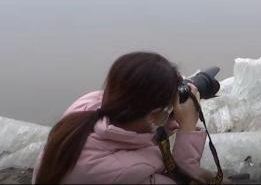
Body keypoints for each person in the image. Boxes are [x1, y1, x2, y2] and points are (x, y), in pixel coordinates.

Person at [33, 52, 211, 184]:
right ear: (154, 115)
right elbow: (181, 179)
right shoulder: (129, 173)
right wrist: (187, 127)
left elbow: (138, 108)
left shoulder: (86, 107)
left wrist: (167, 113)